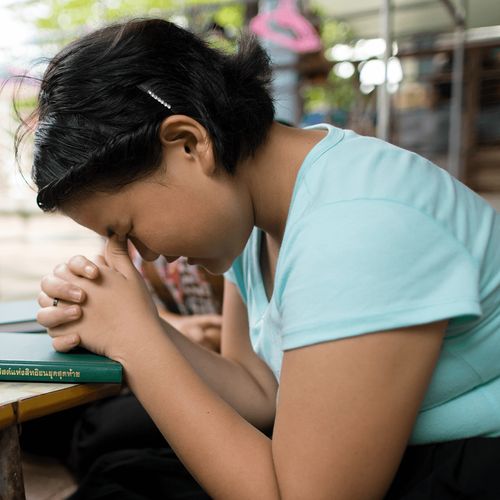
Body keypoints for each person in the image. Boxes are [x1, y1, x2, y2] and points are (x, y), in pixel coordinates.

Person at [22, 18, 500, 499]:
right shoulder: (258, 212)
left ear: (189, 142)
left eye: (126, 229)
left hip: (473, 462)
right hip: (397, 456)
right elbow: (258, 391)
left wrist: (136, 343)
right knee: (123, 473)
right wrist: (133, 321)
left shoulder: (357, 226)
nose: (140, 254)